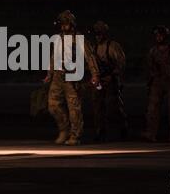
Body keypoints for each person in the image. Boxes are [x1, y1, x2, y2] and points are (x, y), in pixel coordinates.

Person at [44, 10, 100, 146]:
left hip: (72, 76)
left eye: (66, 24)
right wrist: (49, 74)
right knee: (53, 106)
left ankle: (75, 135)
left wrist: (95, 75)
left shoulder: (79, 39)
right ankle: (64, 130)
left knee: (74, 108)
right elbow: (53, 57)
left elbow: (90, 57)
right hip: (58, 76)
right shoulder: (58, 38)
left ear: (72, 24)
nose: (63, 27)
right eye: (62, 24)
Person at [142, 25, 170, 143]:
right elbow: (150, 66)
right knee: (152, 108)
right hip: (158, 80)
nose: (159, 37)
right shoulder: (153, 50)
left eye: (161, 35)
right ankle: (151, 133)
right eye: (157, 35)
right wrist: (150, 81)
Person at [91, 21, 128, 142]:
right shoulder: (94, 48)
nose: (97, 37)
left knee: (114, 107)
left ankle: (123, 129)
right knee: (98, 107)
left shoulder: (113, 46)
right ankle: (100, 132)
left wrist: (112, 75)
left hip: (111, 80)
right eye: (96, 34)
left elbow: (121, 63)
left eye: (99, 34)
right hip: (100, 80)